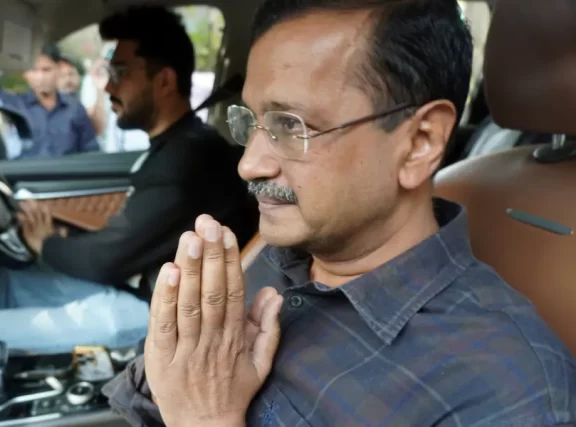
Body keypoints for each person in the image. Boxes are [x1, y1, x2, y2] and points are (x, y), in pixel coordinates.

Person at [102, 0, 576, 425]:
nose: (249, 164)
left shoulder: (505, 390)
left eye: (291, 125)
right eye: (252, 121)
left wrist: (205, 418)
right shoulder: (280, 248)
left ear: (420, 142)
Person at [0, 6, 258, 353]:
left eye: (121, 73)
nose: (110, 86)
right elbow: (125, 239)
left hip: (163, 312)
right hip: (142, 286)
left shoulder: (186, 159)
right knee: (6, 279)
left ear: (164, 81)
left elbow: (105, 260)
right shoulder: (178, 143)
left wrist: (43, 243)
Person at [0, 44, 100, 158]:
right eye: (34, 70)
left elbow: (90, 150)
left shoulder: (75, 108)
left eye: (46, 70)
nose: (40, 77)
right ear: (25, 73)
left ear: (58, 69)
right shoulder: (13, 106)